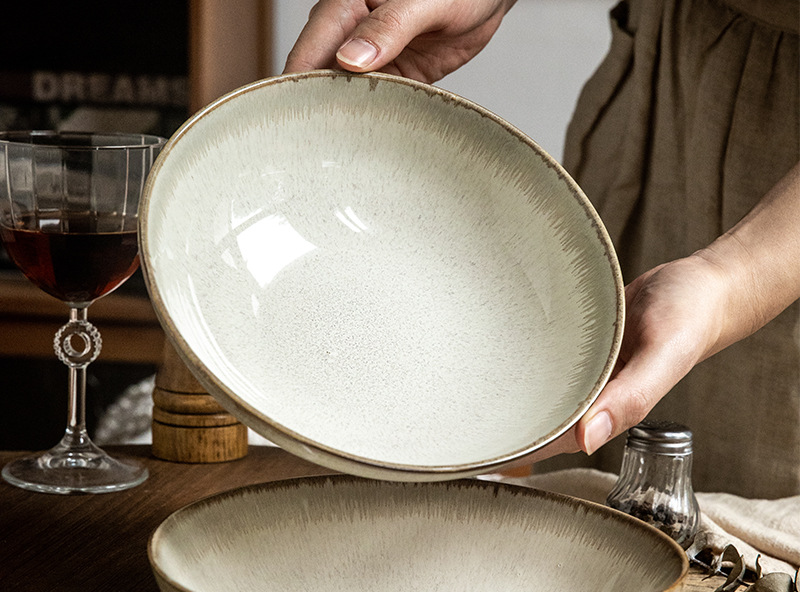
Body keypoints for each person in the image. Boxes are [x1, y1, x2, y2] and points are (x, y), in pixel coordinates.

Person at [284, 0, 800, 499]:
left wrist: (732, 279)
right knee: (593, 507)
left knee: (737, 545)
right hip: (672, 69)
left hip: (783, 215)